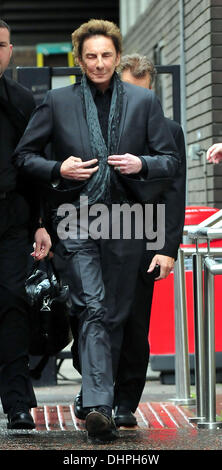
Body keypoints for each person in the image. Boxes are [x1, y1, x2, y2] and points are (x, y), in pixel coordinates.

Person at [13, 19, 180, 442]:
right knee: (92, 308)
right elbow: (25, 156)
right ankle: (101, 406)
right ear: (79, 59)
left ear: (117, 56)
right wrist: (58, 168)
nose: (99, 63)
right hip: (78, 218)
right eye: (91, 56)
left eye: (107, 55)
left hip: (128, 221)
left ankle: (100, 398)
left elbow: (170, 162)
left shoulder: (144, 103)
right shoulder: (57, 101)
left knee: (117, 314)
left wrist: (142, 164)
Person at [111, 54, 186, 426]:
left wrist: (168, 249)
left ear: (152, 93)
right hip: (100, 231)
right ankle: (96, 392)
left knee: (136, 322)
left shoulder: (169, 131)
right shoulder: (99, 122)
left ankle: (126, 401)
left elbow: (175, 191)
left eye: (143, 96)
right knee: (95, 316)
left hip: (146, 232)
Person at [0, 19, 52, 430]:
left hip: (12, 220)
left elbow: (33, 165)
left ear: (10, 50)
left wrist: (39, 222)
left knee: (14, 305)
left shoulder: (20, 100)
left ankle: (17, 402)